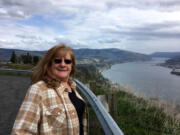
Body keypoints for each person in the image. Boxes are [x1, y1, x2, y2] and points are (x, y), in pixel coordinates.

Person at [11, 44, 88, 135]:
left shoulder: (72, 86)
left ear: (72, 66)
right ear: (49, 64)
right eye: (57, 61)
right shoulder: (38, 90)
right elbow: (21, 132)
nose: (63, 64)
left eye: (67, 61)